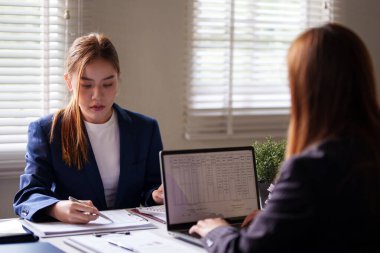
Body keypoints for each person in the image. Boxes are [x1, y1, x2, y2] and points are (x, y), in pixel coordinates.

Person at [189, 23, 380, 252]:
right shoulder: (368, 151)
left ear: (304, 88)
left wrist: (216, 230)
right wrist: (275, 219)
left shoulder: (311, 167)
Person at [13, 33, 164, 224]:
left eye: (108, 84)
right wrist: (56, 208)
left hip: (132, 233)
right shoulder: (46, 131)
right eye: (86, 85)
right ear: (69, 82)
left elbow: (150, 189)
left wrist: (156, 196)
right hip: (74, 235)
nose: (97, 95)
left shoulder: (145, 129)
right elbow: (27, 196)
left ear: (118, 80)